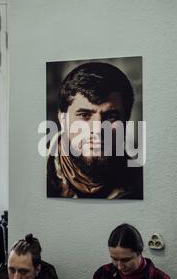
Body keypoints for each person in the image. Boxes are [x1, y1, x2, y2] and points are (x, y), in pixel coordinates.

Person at [47, 62, 143, 199]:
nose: (97, 129)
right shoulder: (32, 173)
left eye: (111, 117)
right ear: (62, 119)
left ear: (126, 121)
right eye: (84, 115)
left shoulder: (142, 183)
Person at [90, 223, 174, 279]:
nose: (119, 267)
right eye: (114, 259)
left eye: (125, 260)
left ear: (140, 252)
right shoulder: (102, 275)